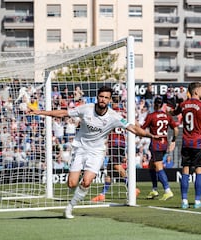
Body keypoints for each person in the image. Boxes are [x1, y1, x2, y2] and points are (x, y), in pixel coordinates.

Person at [28, 86, 159, 219]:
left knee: (86, 182)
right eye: (101, 96)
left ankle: (69, 208)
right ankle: (76, 191)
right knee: (71, 184)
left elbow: (133, 129)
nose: (103, 99)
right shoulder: (86, 108)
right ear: (97, 97)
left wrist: (151, 136)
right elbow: (63, 113)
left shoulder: (114, 116)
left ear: (109, 100)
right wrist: (40, 112)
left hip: (96, 152)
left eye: (106, 98)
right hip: (80, 148)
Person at [91, 96, 139, 202]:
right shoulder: (124, 113)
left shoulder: (110, 113)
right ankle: (102, 194)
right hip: (121, 142)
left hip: (115, 142)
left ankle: (132, 187)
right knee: (109, 171)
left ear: (111, 101)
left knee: (117, 166)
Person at [141, 97, 179, 201]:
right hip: (164, 144)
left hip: (156, 144)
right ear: (162, 105)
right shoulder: (167, 116)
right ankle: (154, 189)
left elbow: (142, 129)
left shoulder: (151, 116)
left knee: (158, 166)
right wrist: (174, 141)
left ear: (154, 105)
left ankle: (167, 190)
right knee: (151, 165)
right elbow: (176, 129)